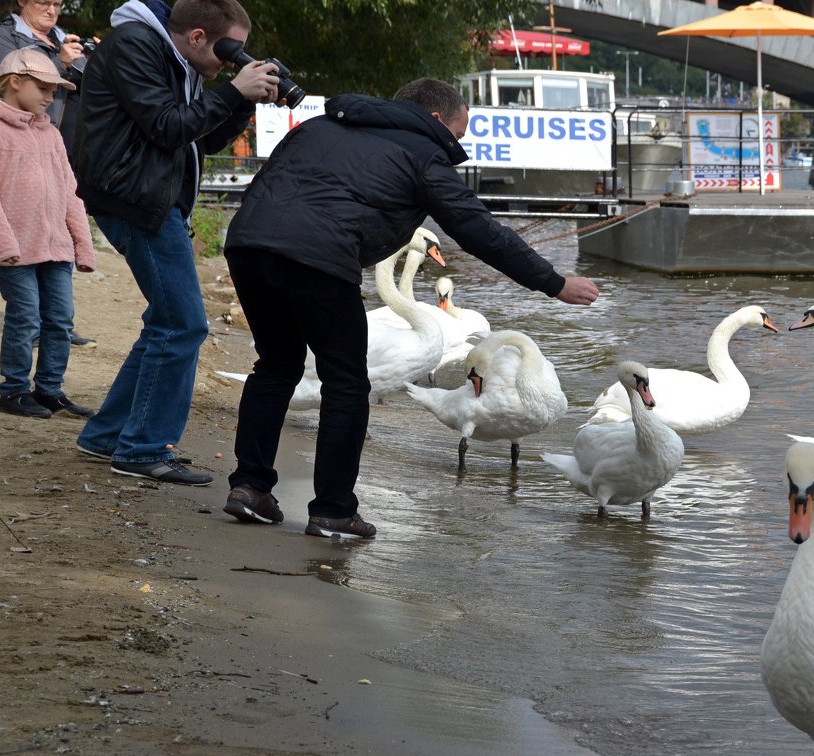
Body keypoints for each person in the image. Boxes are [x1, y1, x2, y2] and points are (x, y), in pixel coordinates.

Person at [221, 78, 601, 539]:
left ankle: (249, 488)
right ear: (436, 118)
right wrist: (554, 282)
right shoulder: (424, 154)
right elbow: (478, 230)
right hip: (319, 255)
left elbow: (273, 182)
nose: (455, 144)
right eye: (457, 134)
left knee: (276, 365)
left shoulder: (318, 126)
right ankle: (333, 511)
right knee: (346, 383)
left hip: (248, 245)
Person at [71, 0, 279, 486]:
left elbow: (197, 139)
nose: (231, 61)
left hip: (150, 200)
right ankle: (142, 449)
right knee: (183, 324)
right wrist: (231, 91)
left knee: (167, 322)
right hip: (137, 200)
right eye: (231, 50)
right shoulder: (135, 46)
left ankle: (108, 436)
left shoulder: (173, 59)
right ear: (198, 36)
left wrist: (244, 99)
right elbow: (166, 127)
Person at [0, 48, 97, 419]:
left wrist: (82, 246)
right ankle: (13, 391)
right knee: (25, 317)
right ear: (14, 82)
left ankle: (50, 390)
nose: (49, 97)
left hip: (56, 246)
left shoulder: (52, 135)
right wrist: (2, 243)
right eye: (43, 88)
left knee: (61, 319)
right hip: (15, 247)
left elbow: (70, 191)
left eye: (53, 91)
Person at [0, 0, 97, 347]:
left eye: (57, 4)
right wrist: (58, 63)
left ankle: (56, 322)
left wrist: (98, 61)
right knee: (26, 229)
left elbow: (90, 89)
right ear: (22, 1)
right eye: (43, 2)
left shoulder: (64, 38)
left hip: (62, 145)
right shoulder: (4, 36)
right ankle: (30, 322)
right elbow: (3, 74)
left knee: (58, 230)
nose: (52, 10)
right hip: (20, 146)